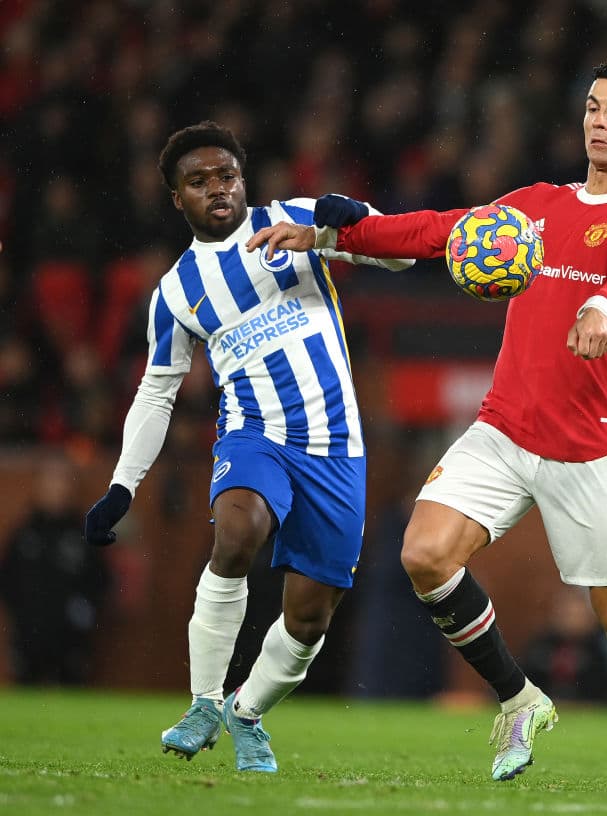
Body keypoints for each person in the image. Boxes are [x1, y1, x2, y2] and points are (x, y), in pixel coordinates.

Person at [249, 57, 607, 790]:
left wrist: (603, 308)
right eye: (591, 108)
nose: (599, 122)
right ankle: (520, 697)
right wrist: (329, 239)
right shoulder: (537, 205)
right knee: (424, 555)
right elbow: (441, 232)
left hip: (587, 452)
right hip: (502, 432)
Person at [83, 121, 412, 773]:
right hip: (254, 432)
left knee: (311, 617)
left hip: (336, 445)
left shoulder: (293, 218)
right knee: (237, 533)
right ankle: (203, 701)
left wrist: (354, 220)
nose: (217, 189)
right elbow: (156, 393)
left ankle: (246, 712)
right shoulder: (175, 292)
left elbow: (396, 254)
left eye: (226, 175)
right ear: (177, 197)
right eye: (198, 181)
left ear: (243, 177)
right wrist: (123, 485)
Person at [1, 454, 111, 685]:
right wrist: (22, 614)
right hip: (28, 636)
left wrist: (84, 609)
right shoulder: (23, 533)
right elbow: (7, 581)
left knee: (73, 693)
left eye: (61, 480)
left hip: (71, 638)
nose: (56, 487)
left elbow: (102, 580)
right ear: (39, 486)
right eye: (50, 480)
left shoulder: (85, 534)